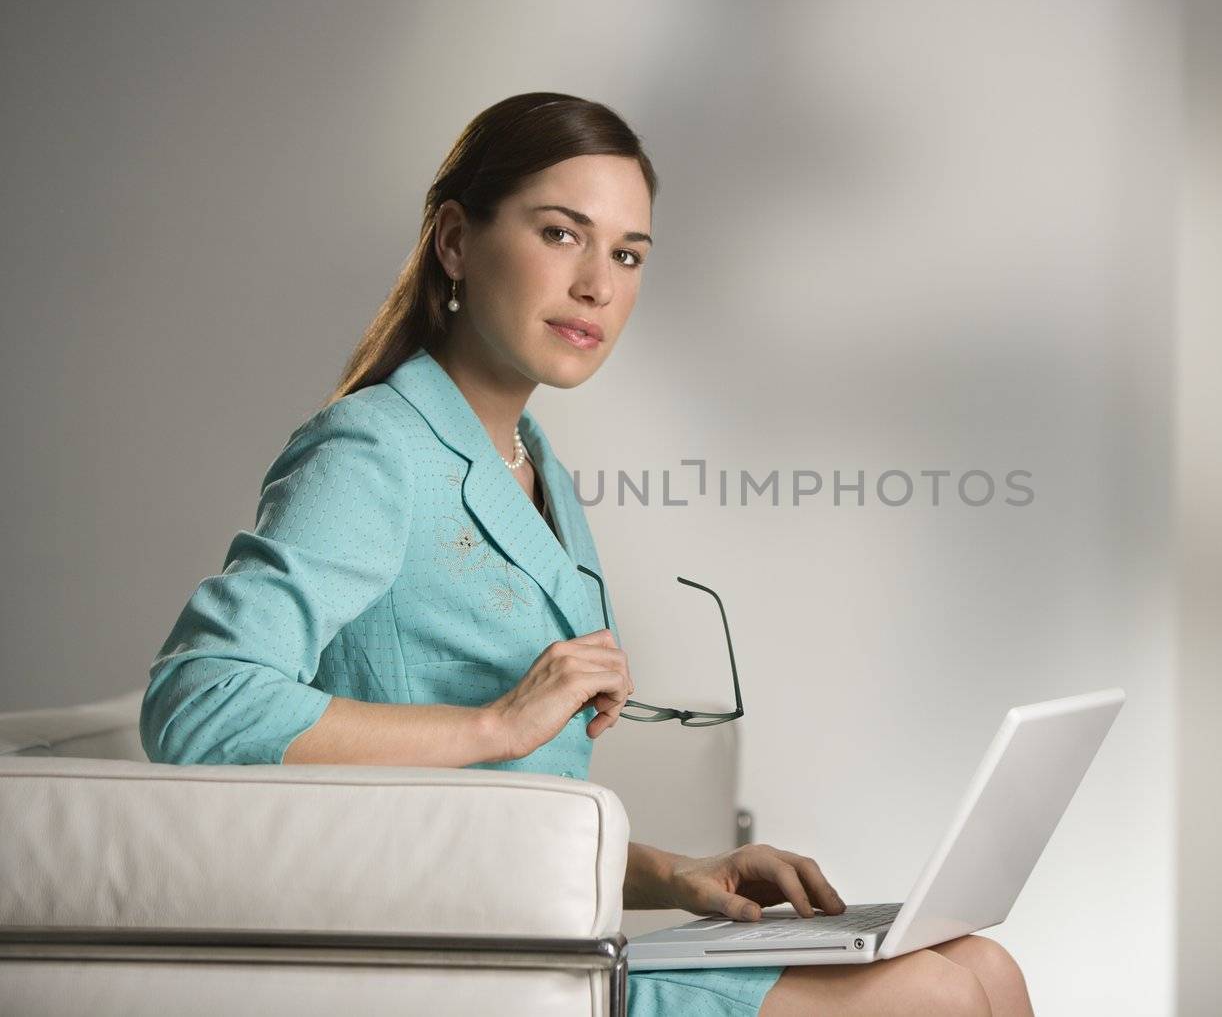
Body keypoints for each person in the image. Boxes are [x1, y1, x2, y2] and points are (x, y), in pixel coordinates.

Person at [139, 92, 1032, 1017]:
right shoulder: (372, 450)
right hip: (453, 960)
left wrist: (680, 874)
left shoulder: (536, 466)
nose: (600, 285)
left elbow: (513, 809)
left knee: (982, 964)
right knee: (933, 993)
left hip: (542, 925)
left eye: (628, 253)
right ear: (454, 241)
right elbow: (198, 700)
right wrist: (497, 724)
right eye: (563, 234)